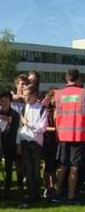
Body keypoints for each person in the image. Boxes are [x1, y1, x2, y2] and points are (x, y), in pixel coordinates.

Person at [54, 68, 85, 204]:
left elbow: (57, 116)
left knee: (63, 164)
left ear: (66, 78)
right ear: (78, 78)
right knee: (75, 166)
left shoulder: (59, 94)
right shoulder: (83, 94)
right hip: (78, 134)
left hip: (63, 134)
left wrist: (58, 131)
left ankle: (57, 192)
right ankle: (71, 196)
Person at [16, 84, 48, 206]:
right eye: (23, 95)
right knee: (28, 169)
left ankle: (36, 194)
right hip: (25, 140)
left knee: (35, 169)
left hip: (36, 143)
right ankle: (31, 194)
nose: (25, 97)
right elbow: (20, 127)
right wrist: (18, 142)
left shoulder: (42, 109)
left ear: (35, 95)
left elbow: (42, 128)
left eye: (27, 95)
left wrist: (28, 124)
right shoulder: (23, 108)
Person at [0, 91, 20, 199]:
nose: (4, 103)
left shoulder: (14, 114)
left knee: (9, 167)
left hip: (10, 144)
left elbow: (15, 129)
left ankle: (8, 190)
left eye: (6, 101)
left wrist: (8, 120)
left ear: (10, 102)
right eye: (2, 101)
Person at [41, 88, 59, 199]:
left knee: (54, 166)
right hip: (48, 140)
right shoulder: (46, 111)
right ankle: (47, 187)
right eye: (54, 97)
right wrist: (56, 129)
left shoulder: (59, 109)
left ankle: (53, 187)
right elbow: (43, 127)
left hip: (56, 140)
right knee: (48, 165)